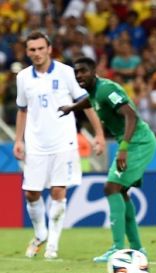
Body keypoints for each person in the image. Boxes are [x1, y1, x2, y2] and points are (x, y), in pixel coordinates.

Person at [14, 31, 105, 259]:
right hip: (36, 144)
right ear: (27, 52)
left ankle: (53, 245)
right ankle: (40, 233)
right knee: (31, 194)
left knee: (58, 190)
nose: (36, 53)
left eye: (40, 48)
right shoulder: (23, 77)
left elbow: (87, 104)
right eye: (32, 50)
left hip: (64, 142)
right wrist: (18, 139)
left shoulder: (67, 73)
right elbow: (22, 110)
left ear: (49, 48)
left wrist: (99, 135)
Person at [58, 56, 156, 263]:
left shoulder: (106, 90)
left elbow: (131, 115)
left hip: (137, 142)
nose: (79, 75)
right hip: (131, 142)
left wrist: (123, 148)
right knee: (120, 191)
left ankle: (118, 249)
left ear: (94, 71)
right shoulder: (95, 92)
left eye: (83, 71)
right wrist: (72, 107)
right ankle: (137, 248)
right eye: (76, 72)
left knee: (111, 188)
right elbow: (91, 101)